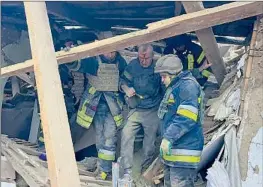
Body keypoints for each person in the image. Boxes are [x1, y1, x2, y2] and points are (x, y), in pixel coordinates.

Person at [66, 44, 127, 180]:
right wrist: (70, 56)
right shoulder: (93, 60)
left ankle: (105, 169)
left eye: (112, 51)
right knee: (100, 136)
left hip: (113, 106)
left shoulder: (120, 61)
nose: (110, 55)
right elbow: (78, 64)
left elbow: (124, 78)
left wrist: (124, 87)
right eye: (107, 51)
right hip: (95, 105)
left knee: (110, 137)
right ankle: (102, 166)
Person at [154, 54, 205, 187]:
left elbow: (186, 117)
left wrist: (168, 138)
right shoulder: (177, 85)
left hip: (184, 151)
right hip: (175, 152)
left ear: (174, 74)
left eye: (164, 76)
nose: (162, 81)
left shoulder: (187, 87)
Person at [120, 44, 163, 178]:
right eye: (141, 58)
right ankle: (126, 169)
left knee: (149, 141)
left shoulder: (158, 67)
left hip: (152, 109)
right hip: (136, 108)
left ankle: (145, 167)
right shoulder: (133, 65)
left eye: (147, 58)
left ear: (152, 56)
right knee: (126, 134)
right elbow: (122, 81)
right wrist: (126, 88)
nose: (143, 61)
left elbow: (166, 87)